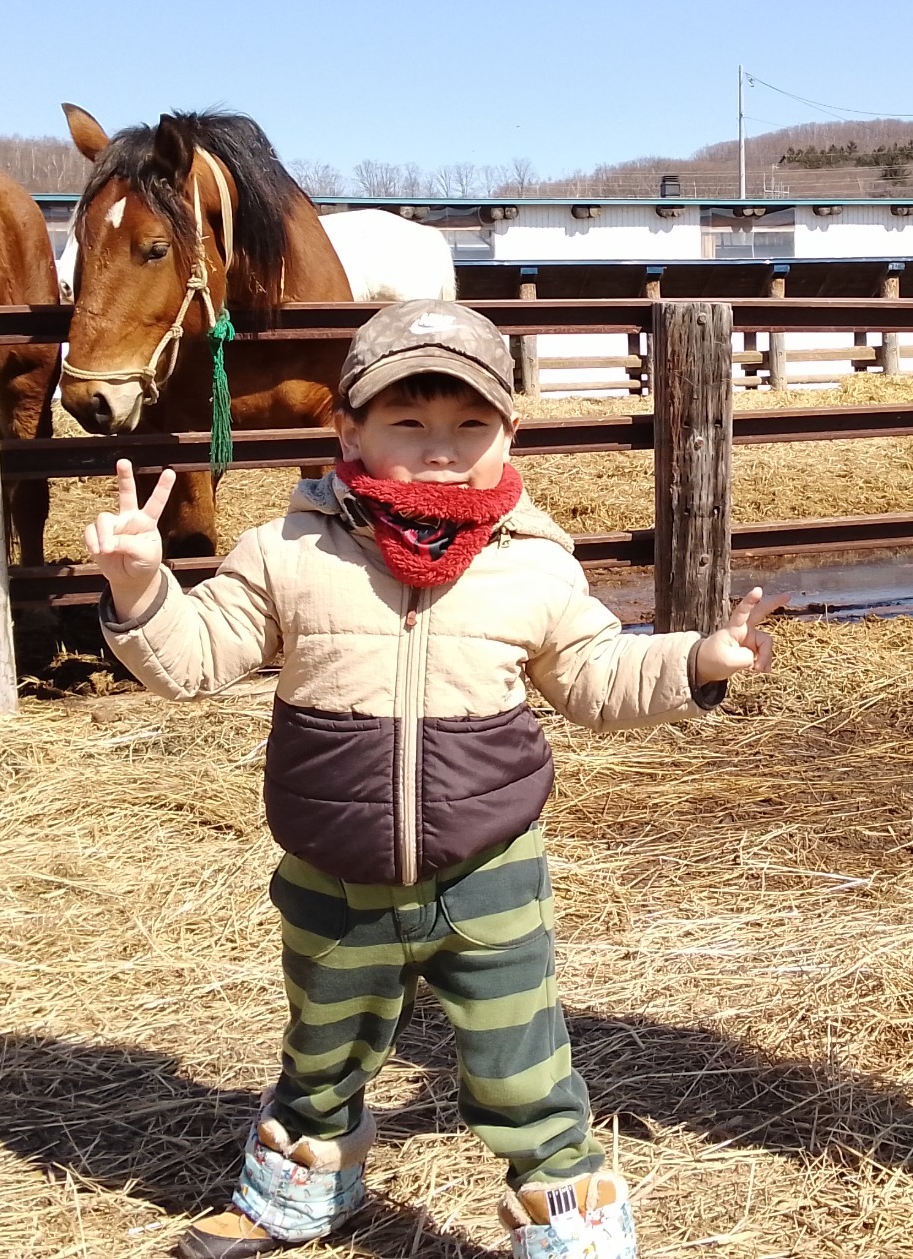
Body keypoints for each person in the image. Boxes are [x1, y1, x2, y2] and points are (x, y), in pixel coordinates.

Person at [85, 299, 774, 1259]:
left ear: (509, 432)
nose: (441, 448)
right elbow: (194, 659)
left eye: (469, 425)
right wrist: (140, 589)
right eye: (408, 424)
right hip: (334, 871)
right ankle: (300, 1192)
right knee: (322, 1051)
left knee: (522, 1063)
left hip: (487, 872)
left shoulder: (533, 564)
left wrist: (696, 661)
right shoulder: (287, 552)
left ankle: (566, 1214)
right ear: (348, 429)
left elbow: (594, 674)